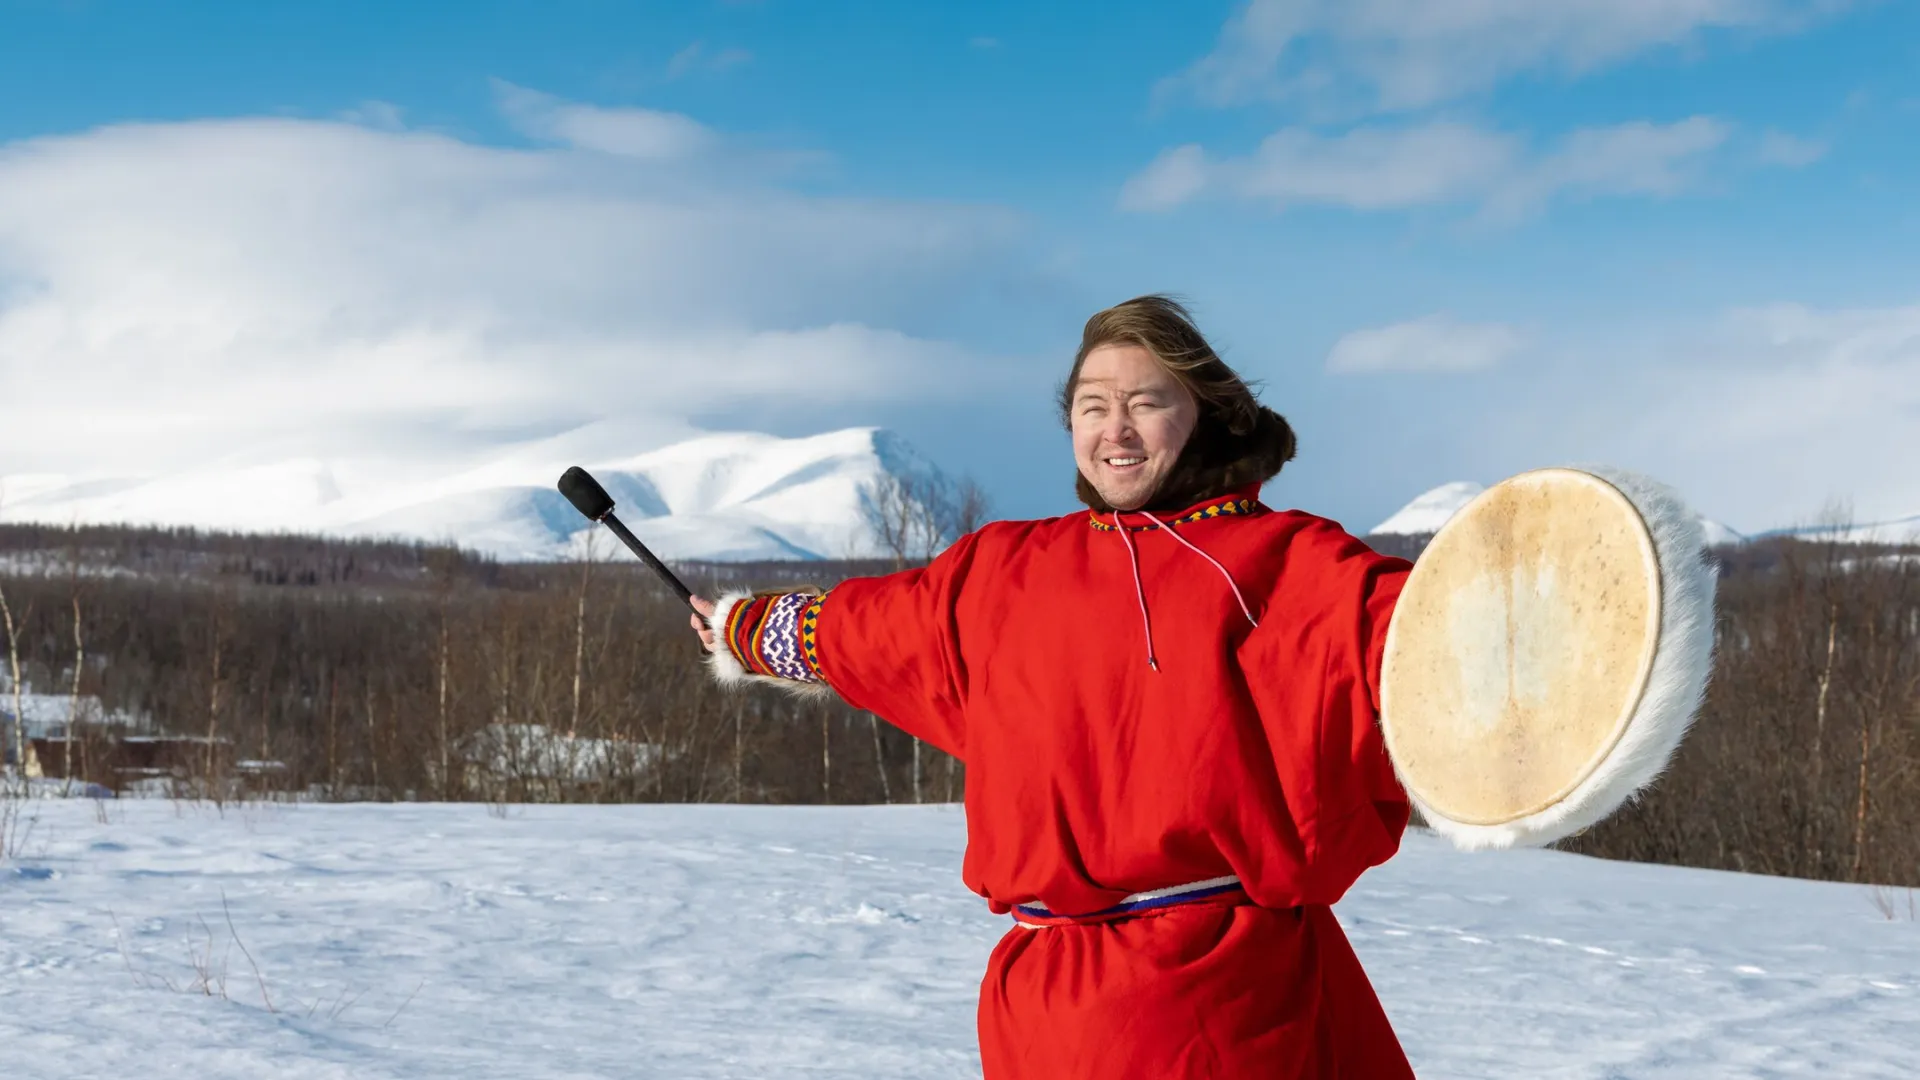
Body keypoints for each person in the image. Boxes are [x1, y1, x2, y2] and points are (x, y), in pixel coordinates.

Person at [690, 295, 1415, 1079]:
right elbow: (876, 629)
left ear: (1206, 414)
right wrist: (746, 628)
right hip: (1041, 1012)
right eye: (1093, 406)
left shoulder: (1286, 564)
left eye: (1146, 402)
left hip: (1222, 1000)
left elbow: (1429, 636)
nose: (1116, 430)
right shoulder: (1002, 571)